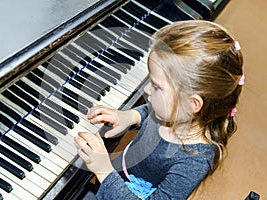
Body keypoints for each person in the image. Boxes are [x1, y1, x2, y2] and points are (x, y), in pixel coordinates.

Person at [74, 20, 244, 199]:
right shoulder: (174, 112)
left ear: (192, 104)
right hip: (114, 181)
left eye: (156, 86)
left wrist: (104, 171)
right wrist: (129, 117)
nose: (146, 90)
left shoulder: (195, 161)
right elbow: (151, 111)